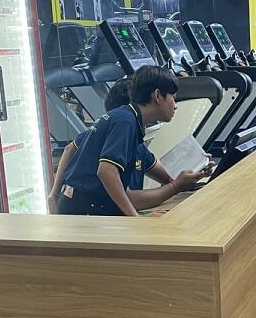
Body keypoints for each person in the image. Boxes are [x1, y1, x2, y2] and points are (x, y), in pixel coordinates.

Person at [47, 66, 205, 216]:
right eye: (173, 98)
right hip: (85, 209)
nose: (175, 106)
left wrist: (181, 180)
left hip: (85, 204)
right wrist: (135, 219)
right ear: (157, 96)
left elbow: (153, 167)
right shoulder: (126, 121)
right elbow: (106, 171)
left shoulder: (129, 120)